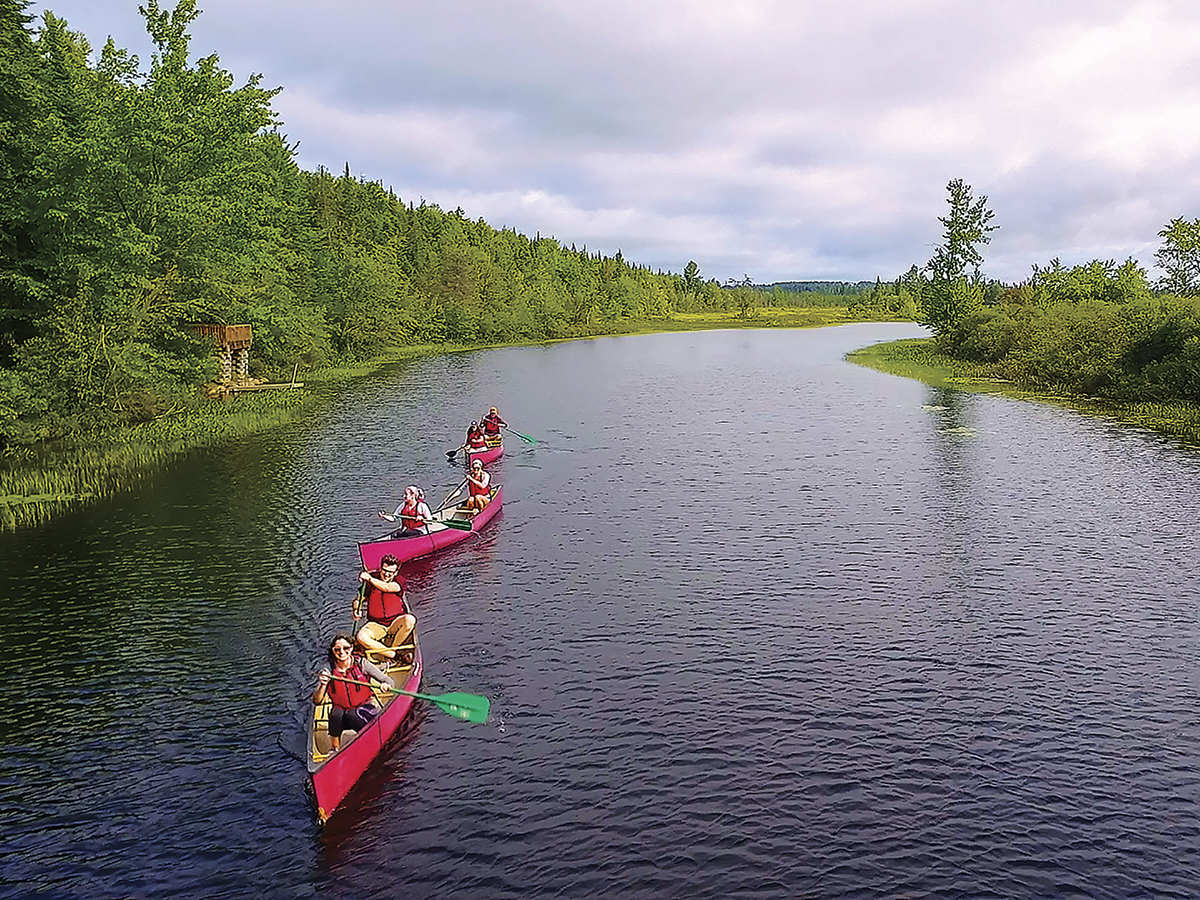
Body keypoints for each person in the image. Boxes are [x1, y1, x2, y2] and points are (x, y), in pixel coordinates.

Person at [313, 633, 394, 752]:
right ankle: (335, 749)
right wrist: (323, 685)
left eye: (346, 648)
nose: (342, 652)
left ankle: (369, 743)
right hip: (341, 712)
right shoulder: (328, 670)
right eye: (337, 649)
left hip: (364, 708)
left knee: (352, 715)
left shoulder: (362, 664)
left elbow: (388, 680)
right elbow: (317, 701)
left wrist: (386, 685)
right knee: (336, 714)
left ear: (351, 648)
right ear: (333, 651)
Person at [354, 554, 416, 661]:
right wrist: (356, 610)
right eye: (384, 570)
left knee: (410, 619)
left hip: (395, 623)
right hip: (376, 624)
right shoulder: (371, 581)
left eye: (390, 572)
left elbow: (387, 588)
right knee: (361, 637)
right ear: (381, 568)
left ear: (396, 572)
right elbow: (358, 600)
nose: (387, 574)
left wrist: (369, 578)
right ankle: (392, 655)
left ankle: (392, 648)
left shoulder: (399, 581)